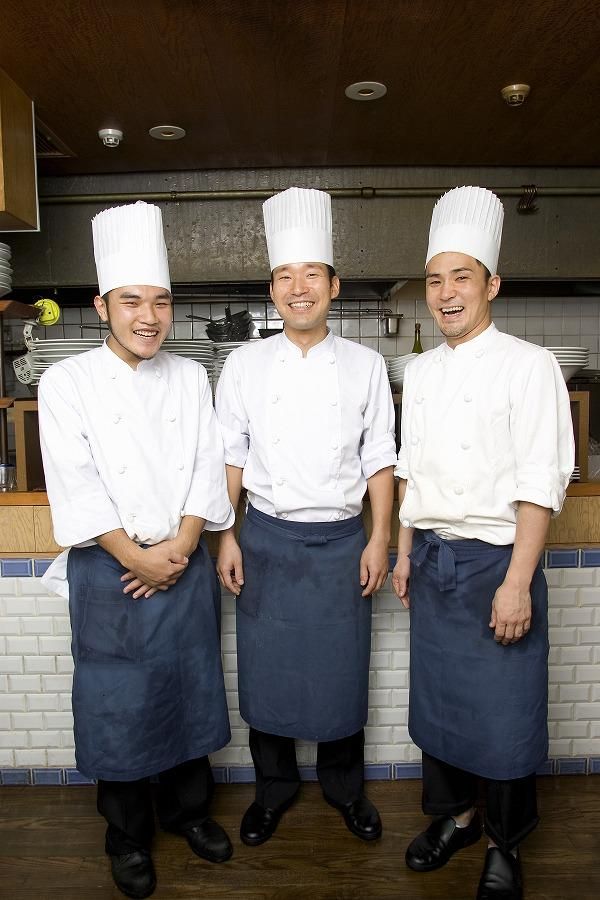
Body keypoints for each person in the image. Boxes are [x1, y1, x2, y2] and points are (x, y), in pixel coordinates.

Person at [38, 201, 235, 900]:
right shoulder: (66, 382)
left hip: (181, 560)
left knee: (187, 689)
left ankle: (188, 814)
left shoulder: (190, 376)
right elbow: (78, 485)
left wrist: (180, 548)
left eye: (160, 302)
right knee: (117, 703)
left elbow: (205, 466)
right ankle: (126, 836)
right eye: (131, 302)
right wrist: (136, 557)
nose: (148, 317)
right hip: (110, 571)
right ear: (102, 307)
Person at [391, 186, 574, 900]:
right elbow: (411, 470)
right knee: (441, 708)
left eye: (461, 278)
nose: (446, 294)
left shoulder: (531, 366)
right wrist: (403, 551)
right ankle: (458, 818)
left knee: (505, 716)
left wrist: (517, 582)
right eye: (435, 280)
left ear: (491, 284)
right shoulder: (420, 371)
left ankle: (505, 842)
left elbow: (539, 484)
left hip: (497, 563)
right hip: (433, 559)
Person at [215, 186, 396, 846]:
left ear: (333, 285)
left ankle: (346, 791)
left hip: (343, 539)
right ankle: (273, 791)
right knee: (267, 674)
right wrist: (227, 535)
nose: (299, 288)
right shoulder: (243, 364)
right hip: (265, 537)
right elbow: (231, 455)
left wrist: (379, 538)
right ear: (272, 290)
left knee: (342, 674)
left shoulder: (367, 366)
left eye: (311, 274)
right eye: (286, 277)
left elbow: (380, 458)